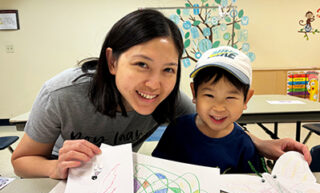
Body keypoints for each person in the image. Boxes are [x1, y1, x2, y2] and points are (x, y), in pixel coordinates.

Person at [11, 9, 311, 180]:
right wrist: (55, 167)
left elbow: (212, 122)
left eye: (168, 69)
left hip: (115, 181)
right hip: (64, 179)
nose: (154, 84)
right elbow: (21, 161)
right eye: (142, 64)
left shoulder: (168, 100)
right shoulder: (61, 95)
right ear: (113, 61)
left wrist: (262, 144)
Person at [152, 46, 266, 173]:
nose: (218, 107)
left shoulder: (245, 146)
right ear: (194, 93)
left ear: (246, 99)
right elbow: (158, 171)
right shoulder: (177, 129)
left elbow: (253, 186)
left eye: (230, 97)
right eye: (209, 95)